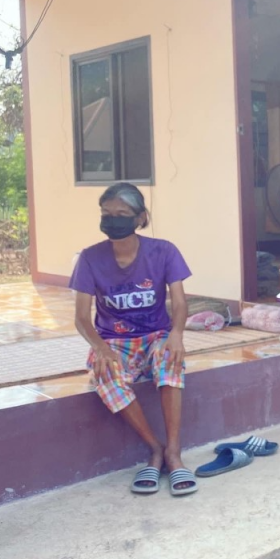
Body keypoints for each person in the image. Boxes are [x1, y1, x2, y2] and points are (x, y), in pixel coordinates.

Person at [70, 182, 198, 496]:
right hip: (114, 341)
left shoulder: (164, 251)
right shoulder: (89, 258)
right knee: (106, 373)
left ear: (140, 218)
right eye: (106, 213)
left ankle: (174, 453)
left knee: (169, 358)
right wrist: (101, 349)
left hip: (156, 335)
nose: (112, 220)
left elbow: (180, 302)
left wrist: (176, 335)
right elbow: (82, 317)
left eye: (121, 213)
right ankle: (155, 449)